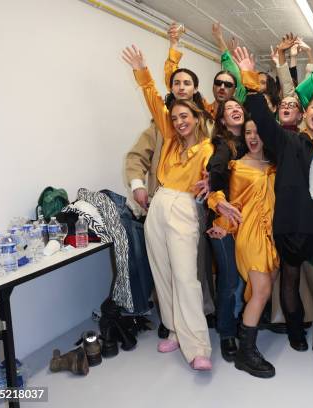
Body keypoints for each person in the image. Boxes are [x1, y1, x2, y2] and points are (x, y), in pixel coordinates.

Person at [234, 46, 313, 369]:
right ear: (306, 113)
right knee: (290, 280)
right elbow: (264, 124)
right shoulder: (289, 140)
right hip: (292, 223)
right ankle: (295, 331)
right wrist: (252, 81)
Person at [122, 45, 214, 370]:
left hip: (184, 207)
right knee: (162, 273)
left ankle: (198, 347)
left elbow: (212, 182)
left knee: (186, 276)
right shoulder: (169, 137)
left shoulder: (207, 148)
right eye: (174, 118)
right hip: (158, 204)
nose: (178, 122)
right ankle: (175, 330)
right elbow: (152, 97)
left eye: (184, 116)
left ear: (197, 117)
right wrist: (142, 72)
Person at [207, 118, 279, 378]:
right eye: (248, 132)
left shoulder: (274, 166)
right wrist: (223, 225)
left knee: (262, 290)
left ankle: (244, 335)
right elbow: (230, 202)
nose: (252, 136)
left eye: (257, 131)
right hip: (249, 234)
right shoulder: (236, 167)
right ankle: (245, 353)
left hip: (272, 236)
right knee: (262, 290)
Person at [202, 98, 248, 362]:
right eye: (229, 109)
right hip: (222, 222)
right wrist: (220, 201)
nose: (235, 110)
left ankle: (239, 321)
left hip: (245, 220)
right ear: (221, 121)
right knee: (230, 279)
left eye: (238, 107)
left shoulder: (253, 142)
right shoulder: (221, 145)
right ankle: (226, 332)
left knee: (243, 276)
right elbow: (215, 170)